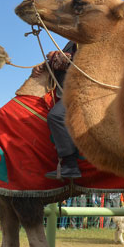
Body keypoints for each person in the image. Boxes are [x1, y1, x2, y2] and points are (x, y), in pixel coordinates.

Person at [45, 43, 82, 179]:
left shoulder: (96, 37)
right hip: (66, 91)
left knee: (56, 116)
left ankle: (70, 165)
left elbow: (91, 63)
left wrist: (59, 57)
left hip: (85, 91)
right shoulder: (74, 40)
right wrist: (45, 65)